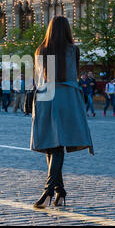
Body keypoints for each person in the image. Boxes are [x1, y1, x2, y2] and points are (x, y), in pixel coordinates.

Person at [31, 16, 94, 209]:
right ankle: (58, 191)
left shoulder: (41, 50)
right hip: (67, 98)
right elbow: (72, 74)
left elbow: (41, 78)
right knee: (57, 142)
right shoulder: (73, 50)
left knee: (52, 143)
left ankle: (50, 190)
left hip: (46, 97)